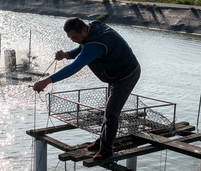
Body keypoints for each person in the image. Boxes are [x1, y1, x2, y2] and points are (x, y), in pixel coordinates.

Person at [32, 17, 141, 161]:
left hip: (127, 75)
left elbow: (74, 67)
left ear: (83, 30)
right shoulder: (91, 30)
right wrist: (66, 55)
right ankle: (102, 141)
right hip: (116, 73)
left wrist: (47, 81)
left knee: (111, 112)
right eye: (70, 37)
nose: (72, 40)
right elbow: (82, 48)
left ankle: (106, 149)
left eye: (74, 36)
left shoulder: (95, 45)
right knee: (109, 110)